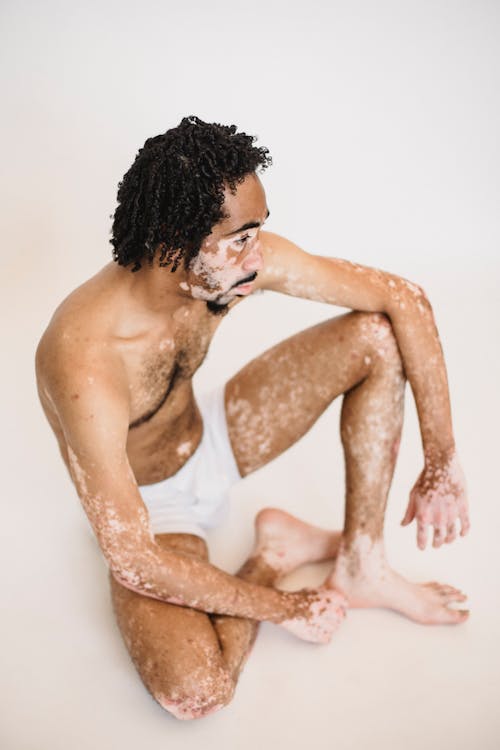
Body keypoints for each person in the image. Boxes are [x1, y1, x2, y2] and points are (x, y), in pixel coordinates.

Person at [35, 115, 470, 721]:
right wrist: (284, 606)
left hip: (210, 436)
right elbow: (133, 557)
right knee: (197, 694)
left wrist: (441, 460)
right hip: (155, 512)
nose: (258, 253)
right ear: (171, 240)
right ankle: (274, 549)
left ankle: (362, 563)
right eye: (241, 237)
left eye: (258, 231)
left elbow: (403, 298)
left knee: (377, 335)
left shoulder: (224, 269)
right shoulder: (84, 355)